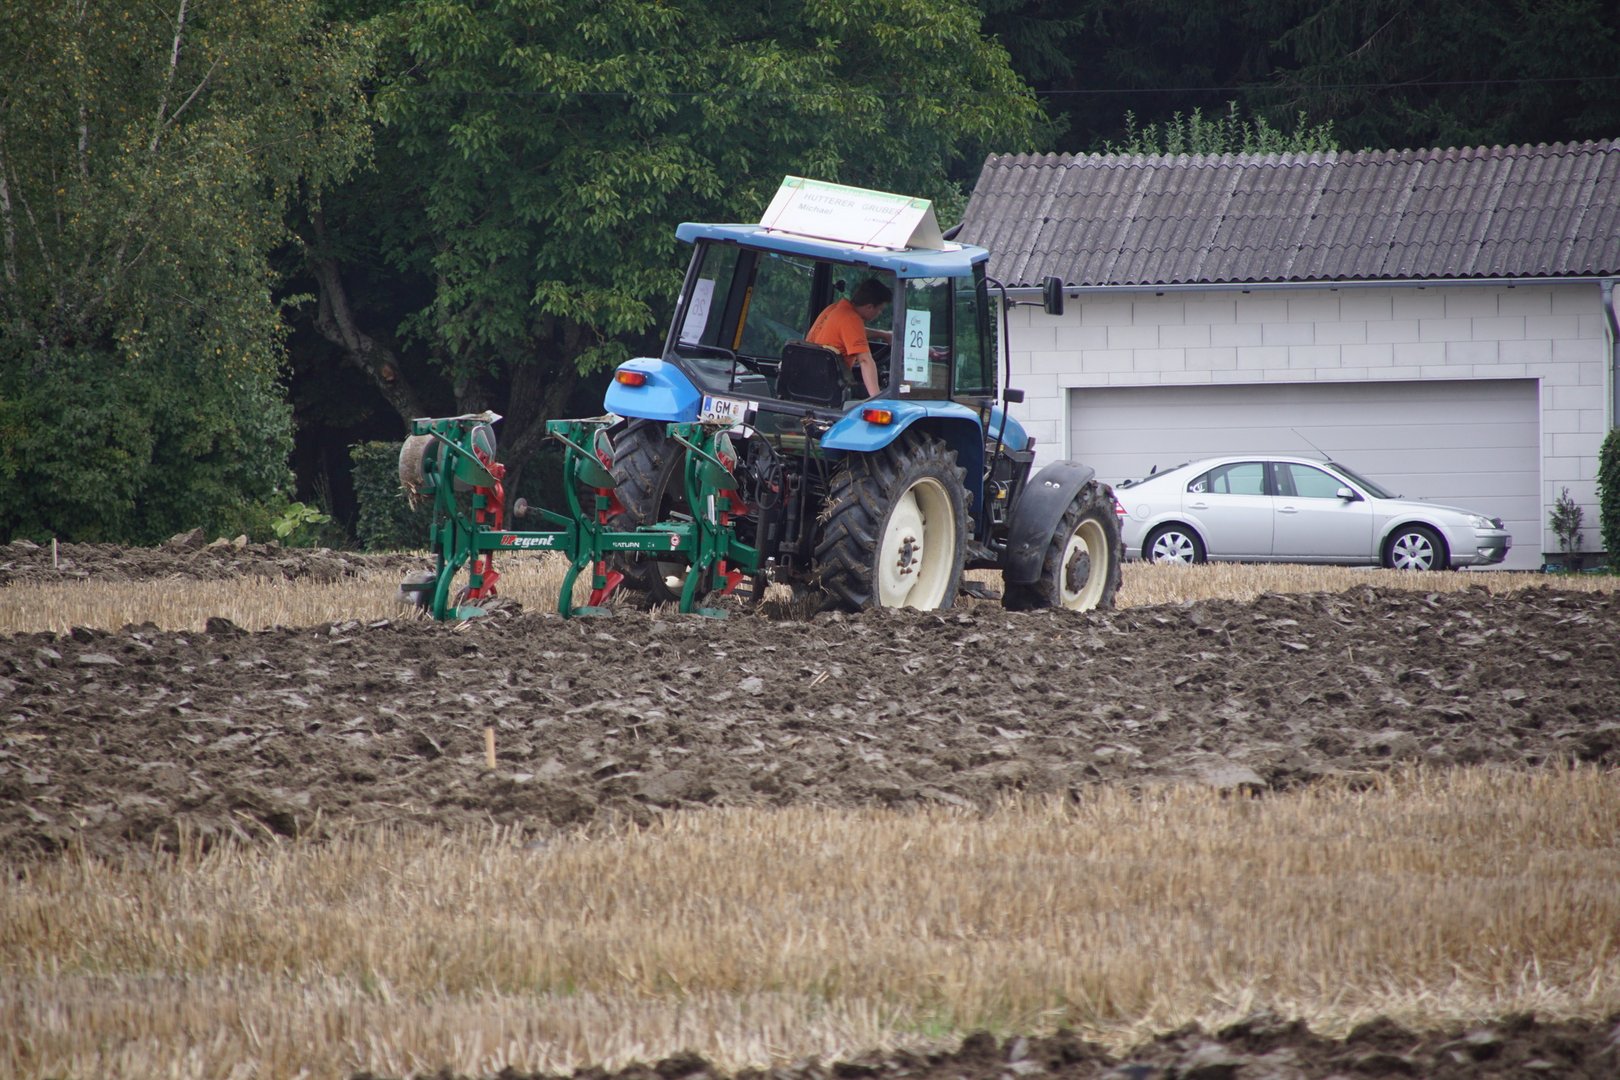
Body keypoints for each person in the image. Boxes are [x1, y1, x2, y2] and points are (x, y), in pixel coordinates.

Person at [805, 279, 892, 397]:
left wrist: (883, 335)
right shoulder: (852, 319)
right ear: (870, 307)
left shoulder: (835, 309)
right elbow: (865, 361)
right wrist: (877, 399)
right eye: (880, 309)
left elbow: (854, 332)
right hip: (829, 388)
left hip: (810, 377)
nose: (879, 313)